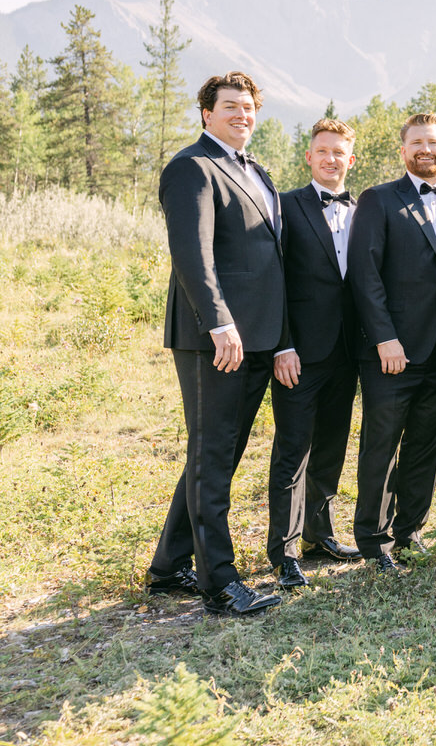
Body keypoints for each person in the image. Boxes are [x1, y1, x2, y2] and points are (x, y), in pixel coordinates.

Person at [147, 71, 285, 617]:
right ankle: (219, 583)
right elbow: (192, 254)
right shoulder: (191, 168)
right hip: (215, 340)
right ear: (206, 113)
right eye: (230, 106)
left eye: (249, 107)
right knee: (211, 454)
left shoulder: (258, 172)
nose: (242, 115)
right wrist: (219, 323)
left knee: (217, 454)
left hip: (256, 339)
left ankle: (168, 567)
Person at [347, 112, 436, 573]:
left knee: (427, 447)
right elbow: (364, 277)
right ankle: (372, 541)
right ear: (403, 150)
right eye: (417, 143)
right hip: (391, 354)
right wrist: (384, 340)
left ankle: (410, 531)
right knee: (381, 445)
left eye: (433, 143)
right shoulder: (378, 200)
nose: (426, 150)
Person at [267, 118, 363, 589]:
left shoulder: (364, 209)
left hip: (348, 354)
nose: (330, 159)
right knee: (293, 452)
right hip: (299, 353)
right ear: (309, 157)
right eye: (322, 151)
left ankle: (318, 535)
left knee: (330, 448)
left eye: (338, 152)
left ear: (351, 158)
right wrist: (282, 344)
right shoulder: (285, 208)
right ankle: (283, 553)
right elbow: (273, 283)